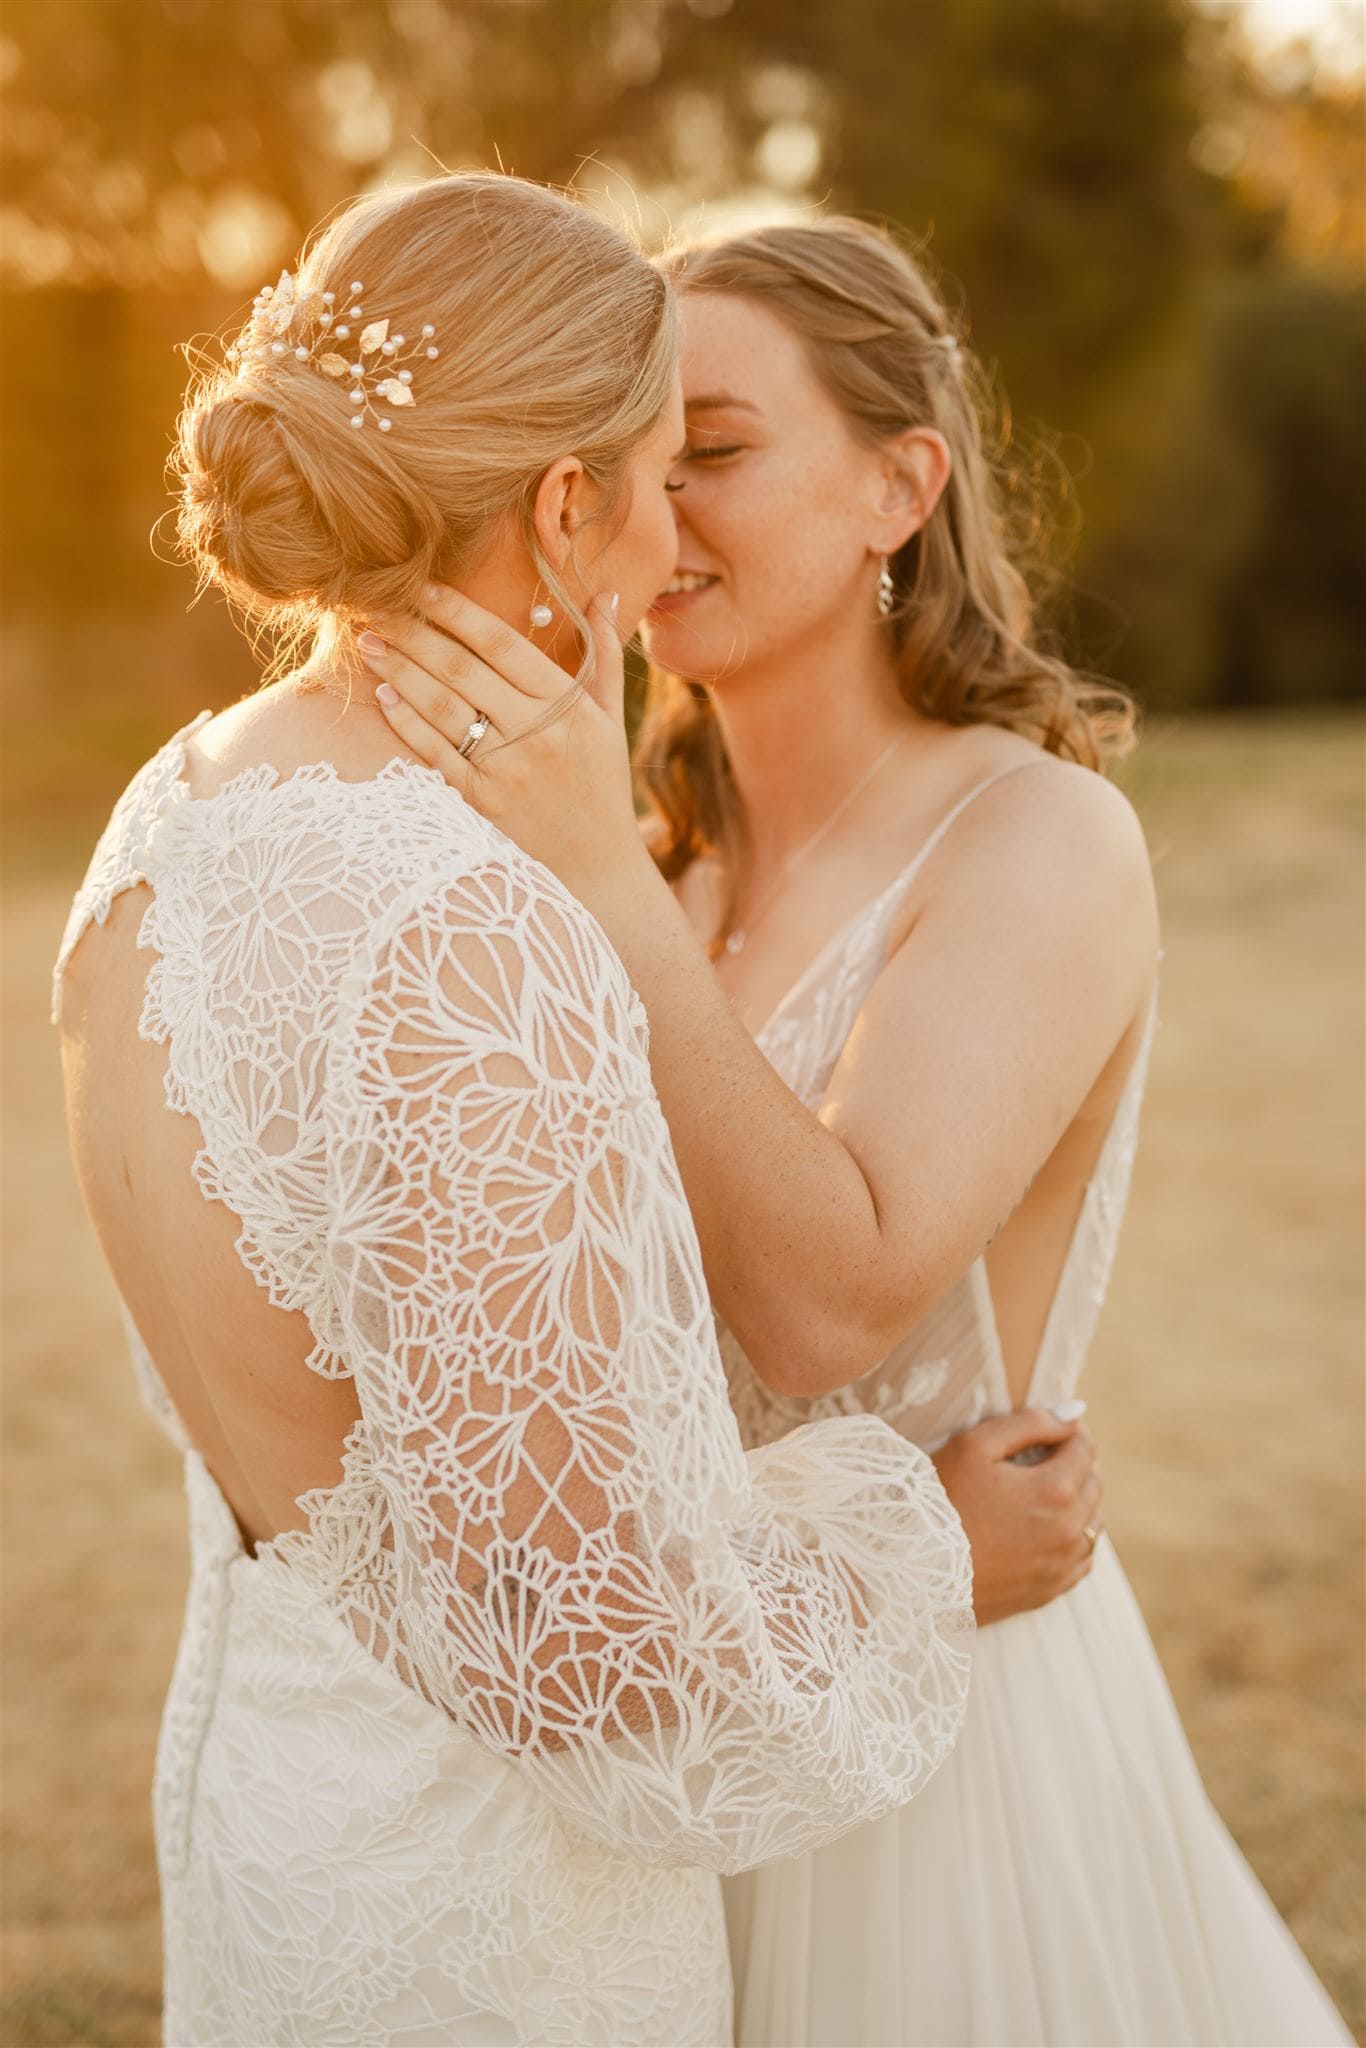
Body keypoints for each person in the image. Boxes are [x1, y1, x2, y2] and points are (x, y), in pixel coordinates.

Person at [54, 174, 1097, 2048]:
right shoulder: (467, 930)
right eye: (651, 466)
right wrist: (929, 1549)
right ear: (560, 503)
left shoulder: (162, 827)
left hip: (278, 1804)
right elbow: (599, 1663)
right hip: (488, 1921)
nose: (668, 536)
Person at [371, 216, 1351, 2046]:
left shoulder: (1034, 843)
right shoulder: (660, 865)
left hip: (947, 1763)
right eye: (627, 465)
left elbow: (831, 1310)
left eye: (716, 452)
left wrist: (588, 867)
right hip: (687, 1738)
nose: (651, 516)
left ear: (901, 484)